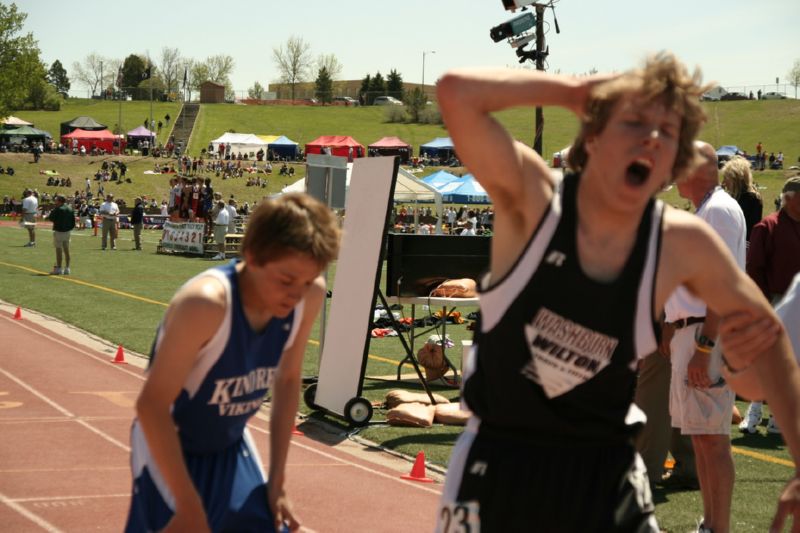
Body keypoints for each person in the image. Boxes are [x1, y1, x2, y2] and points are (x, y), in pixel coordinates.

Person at [434, 52, 800, 532]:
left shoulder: (680, 243)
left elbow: (768, 339)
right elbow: (455, 92)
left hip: (604, 470)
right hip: (502, 464)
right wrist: (573, 91)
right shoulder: (533, 201)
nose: (651, 138)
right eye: (635, 123)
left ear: (675, 161)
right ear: (594, 134)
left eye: (667, 133)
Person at [124, 192, 340, 532]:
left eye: (308, 280)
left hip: (230, 442)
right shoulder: (205, 305)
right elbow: (151, 406)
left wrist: (278, 481)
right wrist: (188, 503)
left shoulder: (306, 294)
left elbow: (287, 380)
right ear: (252, 256)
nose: (296, 295)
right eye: (286, 281)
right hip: (169, 445)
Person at [665, 141, 745, 533]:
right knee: (702, 438)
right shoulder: (708, 210)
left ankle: (719, 527)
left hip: (704, 334)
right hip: (693, 332)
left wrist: (704, 345)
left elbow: (722, 283)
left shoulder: (718, 211)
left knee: (712, 440)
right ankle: (711, 525)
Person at [738, 176, 800, 435]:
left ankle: (778, 415)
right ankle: (754, 412)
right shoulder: (767, 226)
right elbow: (754, 267)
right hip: (773, 299)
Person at [721, 156, 762, 243]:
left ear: (735, 178)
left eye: (726, 178)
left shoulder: (752, 199)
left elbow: (751, 231)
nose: (723, 182)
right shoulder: (729, 197)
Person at [46, 194, 75, 275]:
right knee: (66, 249)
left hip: (59, 231)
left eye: (56, 200)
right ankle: (67, 268)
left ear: (59, 201)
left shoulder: (58, 209)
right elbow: (73, 221)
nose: (55, 202)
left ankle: (59, 268)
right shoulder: (69, 208)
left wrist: (53, 209)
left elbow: (51, 218)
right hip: (67, 231)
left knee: (58, 249)